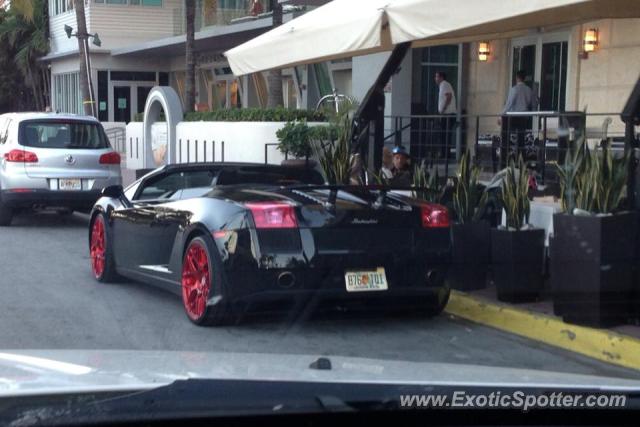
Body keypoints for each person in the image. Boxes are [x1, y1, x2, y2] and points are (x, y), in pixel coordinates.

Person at [500, 70, 539, 165]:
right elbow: (534, 103)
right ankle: (521, 160)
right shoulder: (529, 90)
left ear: (517, 78)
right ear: (524, 78)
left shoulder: (514, 89)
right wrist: (533, 113)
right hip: (523, 117)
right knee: (521, 139)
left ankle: (505, 159)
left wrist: (501, 114)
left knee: (506, 136)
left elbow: (509, 104)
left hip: (513, 117)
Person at [434, 71, 457, 160]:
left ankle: (445, 154)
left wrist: (443, 109)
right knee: (444, 135)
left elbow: (448, 97)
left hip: (448, 115)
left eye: (436, 77)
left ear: (441, 77)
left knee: (445, 135)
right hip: (447, 115)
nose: (435, 79)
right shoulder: (443, 86)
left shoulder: (444, 84)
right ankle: (444, 153)